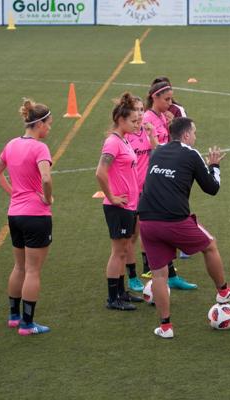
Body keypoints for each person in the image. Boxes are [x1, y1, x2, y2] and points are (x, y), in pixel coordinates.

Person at [137, 117, 230, 338]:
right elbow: (212, 188)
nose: (195, 136)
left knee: (159, 274)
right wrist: (214, 165)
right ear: (186, 135)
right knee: (210, 245)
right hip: (174, 220)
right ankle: (223, 291)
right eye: (194, 132)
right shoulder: (191, 153)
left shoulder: (157, 151)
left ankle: (165, 327)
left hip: (146, 220)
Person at [0, 98, 54, 335]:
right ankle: (28, 325)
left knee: (19, 267)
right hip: (35, 216)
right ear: (39, 124)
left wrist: (13, 192)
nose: (49, 128)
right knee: (32, 270)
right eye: (49, 124)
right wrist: (47, 198)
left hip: (15, 215)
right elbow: (47, 178)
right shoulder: (40, 148)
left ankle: (14, 316)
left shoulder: (12, 144)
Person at [141, 81, 196, 289]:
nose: (170, 103)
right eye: (167, 99)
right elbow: (154, 150)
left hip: (165, 177)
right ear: (154, 98)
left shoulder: (163, 116)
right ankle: (156, 271)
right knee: (160, 225)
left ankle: (171, 275)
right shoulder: (147, 119)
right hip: (153, 179)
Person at [96, 92, 144, 311]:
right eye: (133, 121)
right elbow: (100, 172)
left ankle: (122, 293)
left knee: (124, 250)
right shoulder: (112, 142)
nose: (137, 124)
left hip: (129, 205)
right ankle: (112, 298)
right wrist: (112, 196)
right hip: (118, 206)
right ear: (120, 120)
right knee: (118, 252)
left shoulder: (123, 140)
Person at [124, 96, 157, 292]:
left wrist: (152, 135)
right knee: (131, 237)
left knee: (146, 229)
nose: (140, 114)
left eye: (141, 109)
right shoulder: (125, 136)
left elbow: (157, 151)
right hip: (130, 193)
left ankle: (147, 268)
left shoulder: (146, 131)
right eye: (136, 110)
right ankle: (132, 276)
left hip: (145, 191)